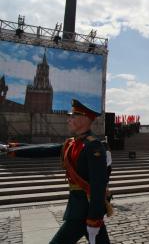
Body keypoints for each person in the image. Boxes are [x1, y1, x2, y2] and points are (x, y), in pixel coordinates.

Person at [7, 99, 110, 244]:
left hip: (83, 212)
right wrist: (12, 149)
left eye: (73, 116)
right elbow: (45, 149)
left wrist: (94, 218)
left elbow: (98, 186)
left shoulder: (93, 146)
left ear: (85, 119)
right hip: (79, 208)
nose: (68, 119)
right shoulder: (72, 143)